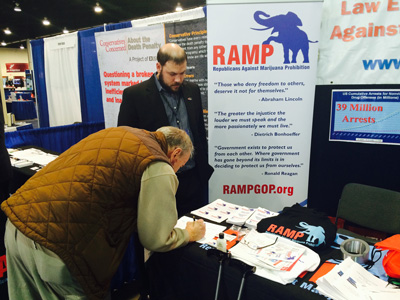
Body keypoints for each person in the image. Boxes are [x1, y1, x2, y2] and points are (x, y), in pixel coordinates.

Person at [1, 126, 206, 300]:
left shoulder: (123, 133)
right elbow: (156, 239)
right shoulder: (158, 164)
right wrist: (188, 234)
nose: (177, 170)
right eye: (180, 166)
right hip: (57, 245)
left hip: (17, 220)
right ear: (176, 154)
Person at [118, 43, 213, 217]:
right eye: (172, 74)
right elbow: (126, 145)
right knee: (161, 237)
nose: (178, 79)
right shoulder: (135, 95)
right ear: (158, 67)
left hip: (192, 179)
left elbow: (199, 131)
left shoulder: (193, 90)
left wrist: (202, 170)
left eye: (182, 73)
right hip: (158, 181)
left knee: (196, 236)